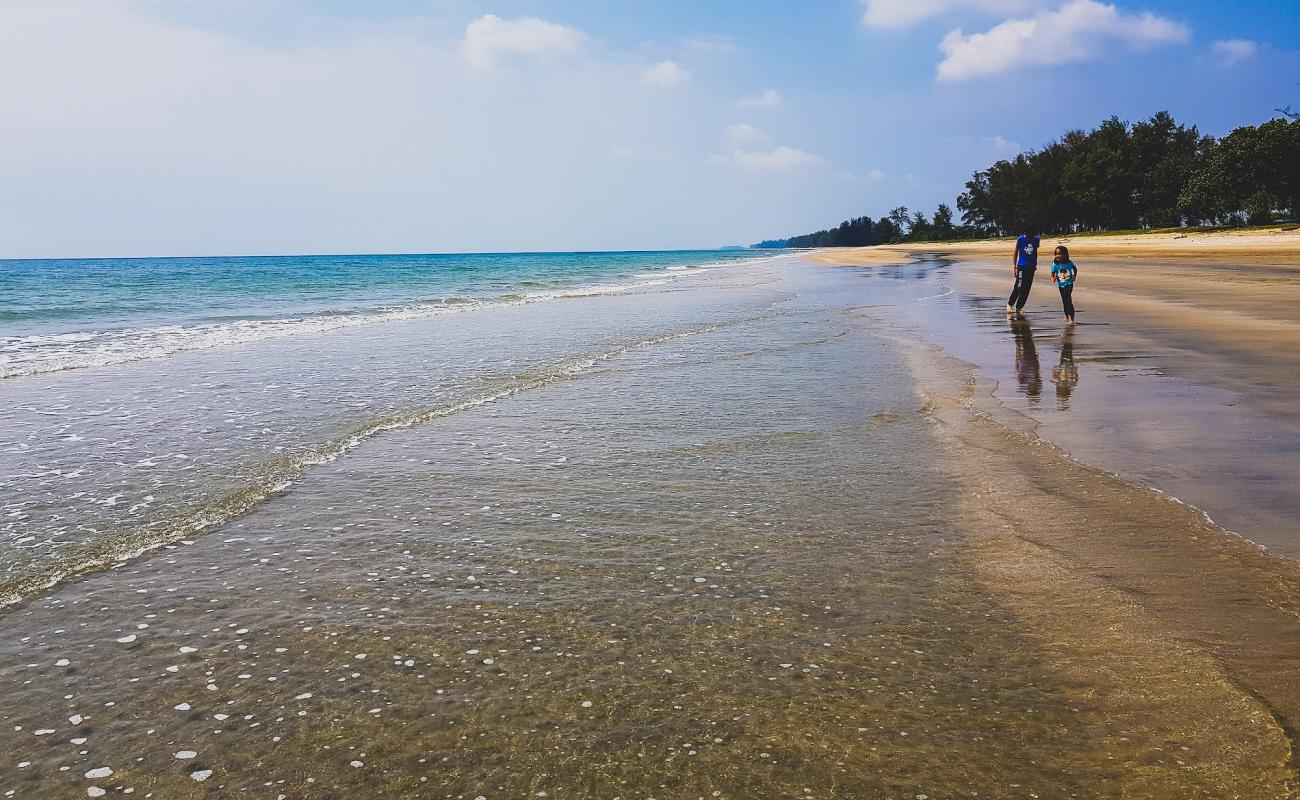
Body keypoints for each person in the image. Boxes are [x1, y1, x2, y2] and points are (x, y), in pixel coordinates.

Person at [1006, 225, 1040, 318]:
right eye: (1028, 234)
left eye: (1031, 234)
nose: (1029, 236)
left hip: (1031, 267)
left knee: (1027, 288)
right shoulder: (1020, 239)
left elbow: (1035, 252)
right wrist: (1015, 266)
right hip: (1021, 266)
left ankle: (1019, 306)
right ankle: (1010, 304)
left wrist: (1035, 264)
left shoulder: (1036, 239)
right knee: (1019, 286)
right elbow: (1016, 252)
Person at [1050, 245, 1077, 325]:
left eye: (1059, 254)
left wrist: (1074, 276)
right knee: (1064, 300)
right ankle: (1066, 314)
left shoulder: (1069, 263)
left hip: (1069, 283)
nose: (1057, 256)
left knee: (1068, 299)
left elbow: (1075, 269)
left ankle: (1072, 318)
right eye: (1056, 254)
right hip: (1061, 284)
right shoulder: (1055, 264)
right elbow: (1052, 273)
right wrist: (1053, 278)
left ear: (1065, 254)